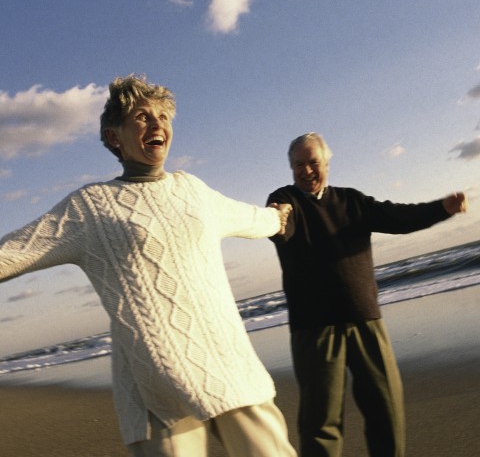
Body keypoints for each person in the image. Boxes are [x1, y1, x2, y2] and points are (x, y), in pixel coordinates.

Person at [0, 74, 297, 457]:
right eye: (142, 116)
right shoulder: (89, 207)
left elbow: (254, 219)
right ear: (114, 137)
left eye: (164, 117)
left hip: (226, 361)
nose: (157, 124)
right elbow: (12, 252)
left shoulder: (192, 190)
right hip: (152, 383)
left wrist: (278, 215)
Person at [266, 132, 468, 457]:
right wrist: (277, 219)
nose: (306, 171)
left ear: (327, 163)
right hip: (314, 328)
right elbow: (282, 226)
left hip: (365, 318)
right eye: (298, 165)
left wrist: (441, 209)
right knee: (321, 420)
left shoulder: (351, 200)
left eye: (313, 162)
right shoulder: (284, 198)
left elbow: (398, 217)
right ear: (291, 168)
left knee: (386, 406)